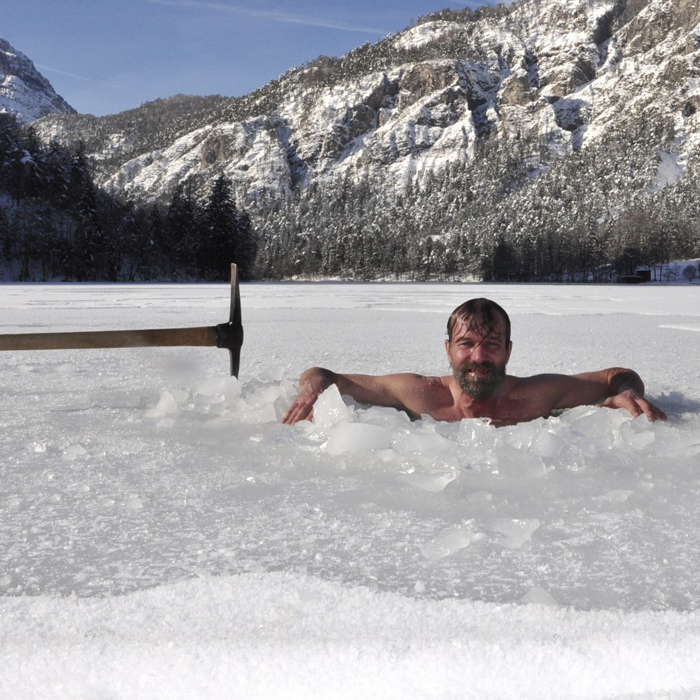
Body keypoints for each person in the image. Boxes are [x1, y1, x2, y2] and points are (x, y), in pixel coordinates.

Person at [282, 298, 667, 426]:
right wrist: (311, 389)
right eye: (466, 344)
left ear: (509, 350)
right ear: (448, 349)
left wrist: (628, 392)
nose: (479, 357)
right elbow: (324, 374)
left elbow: (618, 375)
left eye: (492, 344)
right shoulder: (419, 394)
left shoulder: (537, 395)